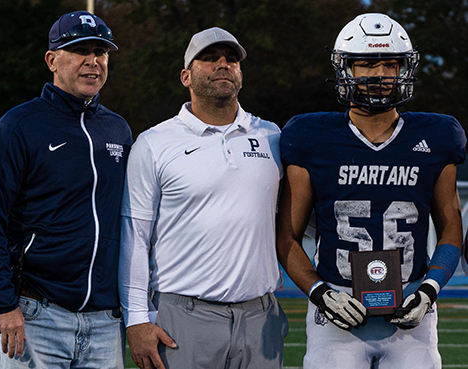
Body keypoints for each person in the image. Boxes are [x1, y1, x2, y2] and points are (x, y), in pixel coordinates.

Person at [276, 13, 466, 369]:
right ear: (345, 69)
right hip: (336, 307)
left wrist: (430, 289)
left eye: (390, 64)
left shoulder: (437, 135)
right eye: (365, 63)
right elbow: (286, 235)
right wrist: (321, 294)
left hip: (414, 305)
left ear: (404, 70)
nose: (379, 74)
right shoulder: (311, 136)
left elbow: (451, 227)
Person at [119, 27, 288, 369]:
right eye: (209, 58)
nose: (222, 65)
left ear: (241, 73)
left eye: (231, 60)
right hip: (183, 317)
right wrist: (136, 318)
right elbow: (135, 238)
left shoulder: (272, 136)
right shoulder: (154, 143)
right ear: (186, 76)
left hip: (261, 314)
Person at [0, 10, 133, 368]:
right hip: (35, 316)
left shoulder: (118, 130)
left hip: (105, 322)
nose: (93, 62)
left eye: (101, 52)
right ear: (52, 60)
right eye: (80, 50)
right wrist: (3, 303)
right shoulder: (19, 126)